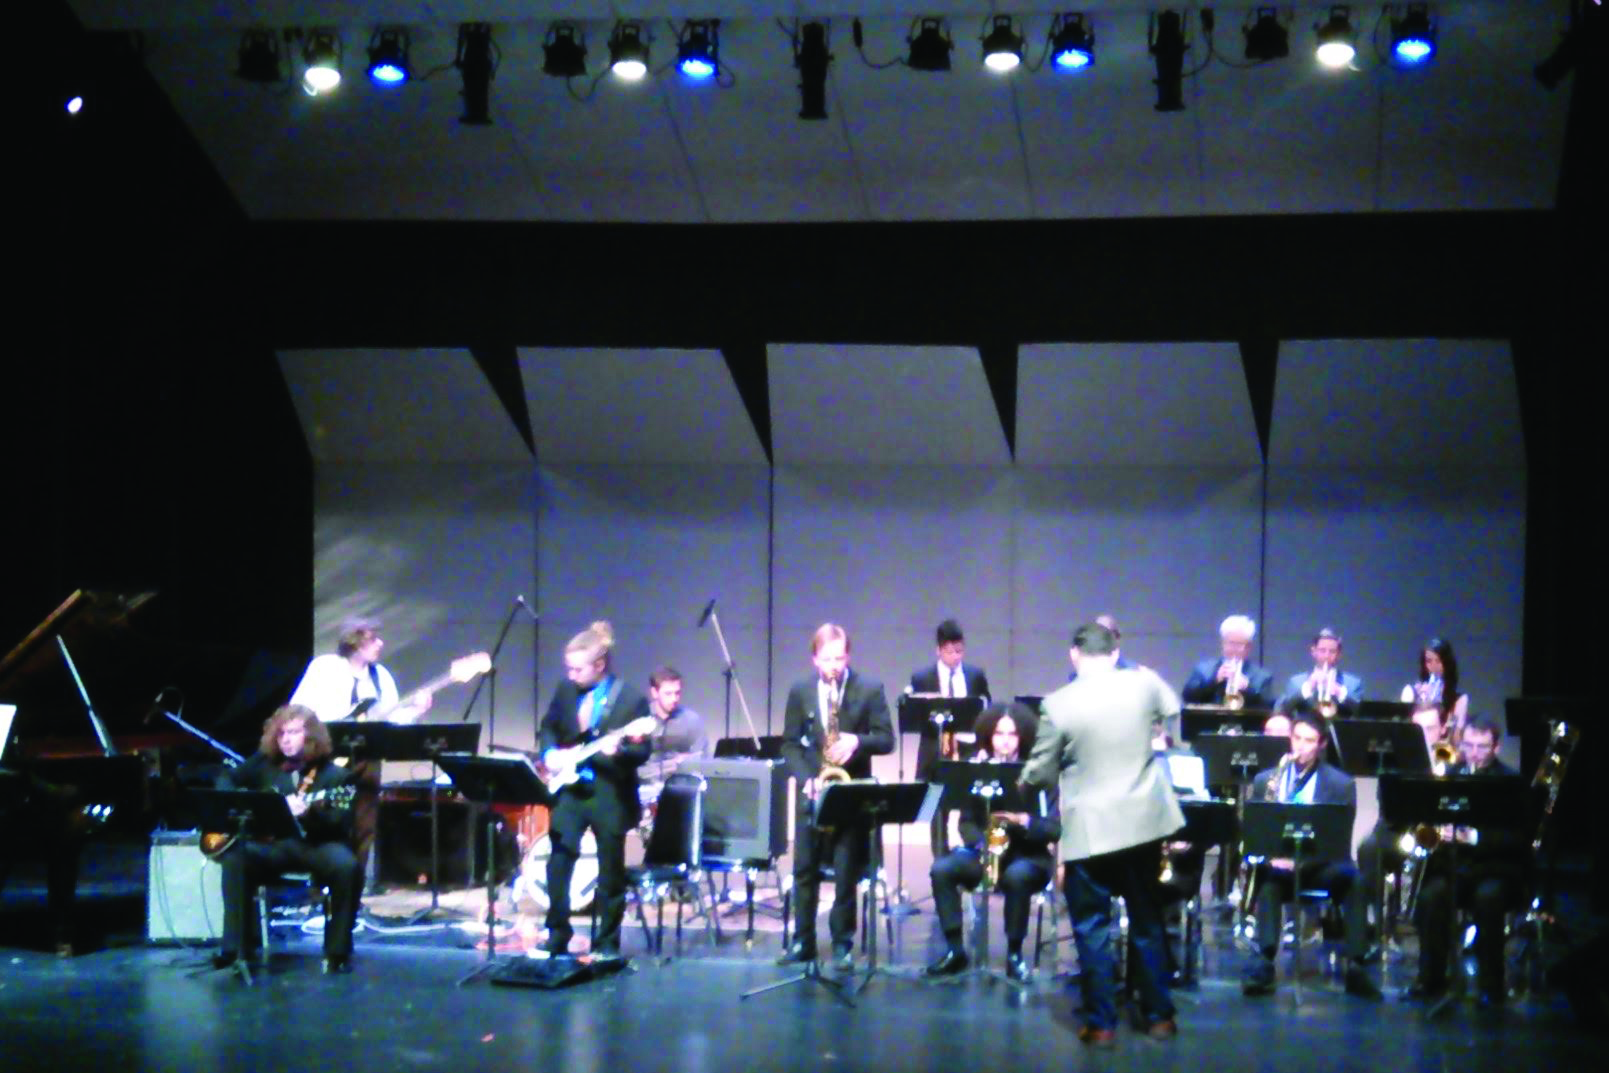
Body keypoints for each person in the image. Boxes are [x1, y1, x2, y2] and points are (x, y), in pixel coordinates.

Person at [1023, 622, 1183, 1046]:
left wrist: (1024, 781)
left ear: (1074, 656)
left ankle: (1102, 1023)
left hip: (1091, 831)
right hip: (1144, 825)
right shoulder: (1144, 681)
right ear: (1115, 653)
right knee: (1148, 921)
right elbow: (1172, 709)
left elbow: (1040, 770)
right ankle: (1160, 1016)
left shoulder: (1058, 704)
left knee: (1092, 926)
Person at [777, 624, 894, 971]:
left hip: (850, 792)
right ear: (814, 659)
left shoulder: (869, 688)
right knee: (804, 869)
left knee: (846, 870)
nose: (834, 666)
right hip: (814, 788)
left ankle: (843, 942)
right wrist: (806, 779)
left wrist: (857, 741)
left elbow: (887, 739)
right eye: (827, 659)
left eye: (840, 658)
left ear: (849, 655)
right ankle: (803, 940)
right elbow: (788, 743)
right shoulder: (800, 691)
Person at [1241, 709, 1381, 999]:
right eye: (1297, 738)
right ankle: (1265, 963)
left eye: (1310, 740)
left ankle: (1356, 966)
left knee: (1353, 880)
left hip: (1321, 864)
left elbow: (1338, 840)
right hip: (1280, 866)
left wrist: (1301, 861)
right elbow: (1255, 833)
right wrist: (1271, 858)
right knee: (1268, 883)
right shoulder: (1267, 779)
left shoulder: (1341, 784)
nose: (1302, 747)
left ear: (1321, 745)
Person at [214, 704, 362, 974]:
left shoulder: (337, 776)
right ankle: (235, 948)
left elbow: (340, 822)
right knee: (235, 858)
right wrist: (235, 802)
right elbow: (227, 777)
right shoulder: (264, 764)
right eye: (281, 733)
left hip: (317, 844)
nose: (286, 739)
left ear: (311, 737)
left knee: (346, 866)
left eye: (293, 732)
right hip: (276, 844)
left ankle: (338, 950)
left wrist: (308, 814)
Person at [537, 621, 651, 959]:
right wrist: (550, 753)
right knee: (558, 859)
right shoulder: (565, 690)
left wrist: (621, 752)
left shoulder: (629, 699)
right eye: (568, 668)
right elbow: (548, 727)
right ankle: (557, 933)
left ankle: (606, 943)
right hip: (571, 790)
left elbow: (642, 751)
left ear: (599, 665)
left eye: (577, 669)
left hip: (608, 792)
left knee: (610, 870)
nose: (571, 675)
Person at [924, 703, 1058, 983]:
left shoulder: (1040, 775)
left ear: (1023, 737)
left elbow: (1054, 829)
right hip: (986, 851)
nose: (1005, 740)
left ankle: (1014, 954)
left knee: (1017, 876)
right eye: (999, 734)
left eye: (1012, 734)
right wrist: (983, 844)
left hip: (1028, 855)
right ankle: (955, 951)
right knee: (942, 869)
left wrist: (1024, 821)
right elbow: (966, 823)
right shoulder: (979, 770)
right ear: (989, 736)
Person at [1409, 715, 1526, 1007]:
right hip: (1456, 868)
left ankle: (1491, 984)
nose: (1474, 753)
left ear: (1496, 748)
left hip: (1495, 869)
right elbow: (1430, 818)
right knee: (1431, 896)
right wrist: (1439, 831)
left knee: (1489, 899)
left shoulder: (1511, 782)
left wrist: (1473, 837)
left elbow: (1518, 839)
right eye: (1469, 745)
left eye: (1482, 747)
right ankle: (1431, 979)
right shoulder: (1451, 775)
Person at [909, 619, 992, 857]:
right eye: (949, 651)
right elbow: (917, 718)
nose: (955, 656)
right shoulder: (922, 677)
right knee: (937, 809)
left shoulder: (975, 675)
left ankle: (975, 856)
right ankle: (940, 861)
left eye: (959, 651)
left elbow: (987, 707)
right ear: (938, 650)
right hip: (937, 752)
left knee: (971, 805)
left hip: (967, 750)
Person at [288, 618, 434, 725]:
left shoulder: (381, 675)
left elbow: (392, 721)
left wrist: (416, 710)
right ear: (355, 643)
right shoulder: (324, 666)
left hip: (367, 760)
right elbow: (297, 711)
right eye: (373, 639)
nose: (380, 643)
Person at [640, 666, 710, 804]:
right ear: (654, 692)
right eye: (668, 693)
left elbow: (703, 757)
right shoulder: (640, 717)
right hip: (643, 789)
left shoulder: (691, 720)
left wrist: (688, 761)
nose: (674, 698)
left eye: (677, 693)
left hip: (679, 790)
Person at [1181, 614, 1277, 709]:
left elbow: (1269, 707)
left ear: (1249, 647)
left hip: (1246, 722)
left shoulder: (1262, 676)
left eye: (1239, 644)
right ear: (1222, 643)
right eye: (1230, 643)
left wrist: (1248, 689)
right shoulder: (1203, 670)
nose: (1233, 649)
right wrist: (1215, 681)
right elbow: (1188, 698)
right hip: (1210, 722)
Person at [1401, 636, 1469, 748]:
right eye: (1429, 661)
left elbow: (1457, 741)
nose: (1434, 667)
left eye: (1438, 661)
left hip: (1444, 752)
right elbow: (1403, 732)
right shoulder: (1411, 691)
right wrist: (1420, 702)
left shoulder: (1459, 699)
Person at [1280, 628, 1364, 717]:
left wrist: (1339, 691)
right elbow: (1285, 709)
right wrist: (1309, 686)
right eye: (1322, 650)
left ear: (1339, 655)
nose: (1326, 656)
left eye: (1332, 651)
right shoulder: (1296, 681)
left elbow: (1357, 711)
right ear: (1313, 651)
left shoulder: (1353, 683)